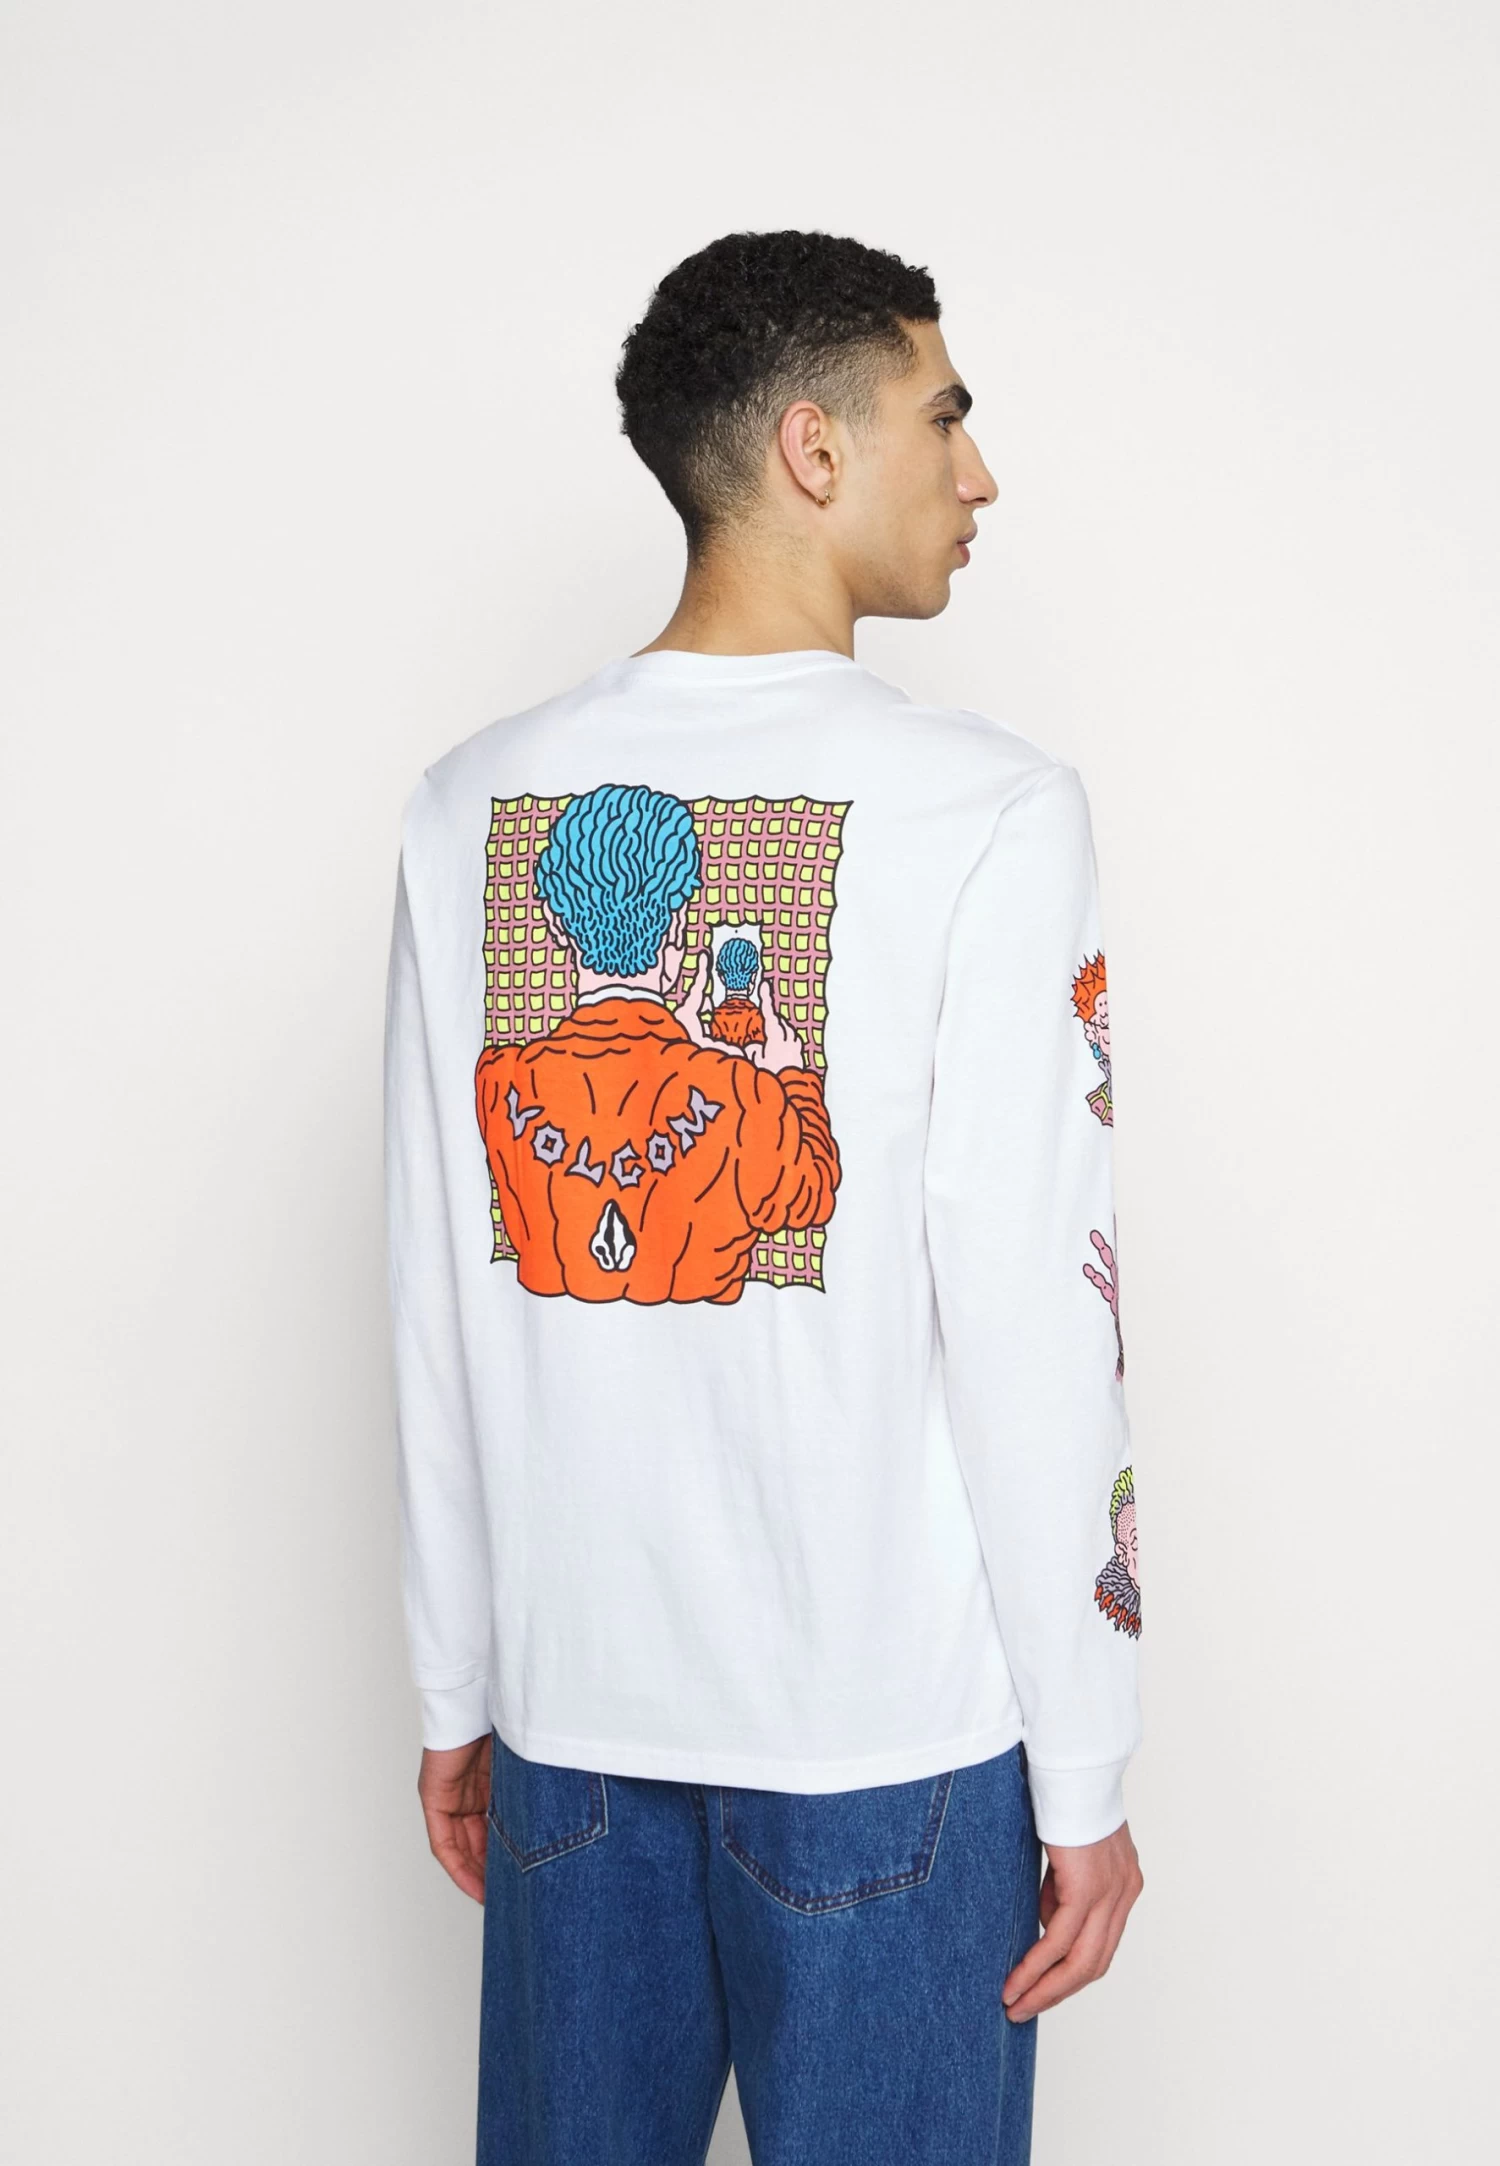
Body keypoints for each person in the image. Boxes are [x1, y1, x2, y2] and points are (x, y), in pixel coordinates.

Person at [382, 228, 1144, 2166]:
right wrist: (1087, 1760)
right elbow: (1034, 1315)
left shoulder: (469, 807)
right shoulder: (991, 812)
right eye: (944, 417)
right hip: (884, 1743)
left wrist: (460, 1681)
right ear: (815, 446)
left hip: (573, 1728)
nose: (979, 473)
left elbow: (433, 1291)